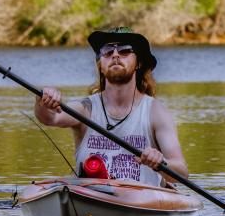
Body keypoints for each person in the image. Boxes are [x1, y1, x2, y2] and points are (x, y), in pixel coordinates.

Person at [34, 26, 189, 186]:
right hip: (93, 198)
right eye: (107, 52)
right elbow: (49, 117)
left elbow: (182, 173)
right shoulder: (85, 108)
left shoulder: (156, 112)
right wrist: (42, 100)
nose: (115, 55)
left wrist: (160, 163)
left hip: (140, 203)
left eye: (124, 51)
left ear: (138, 63)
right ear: (100, 65)